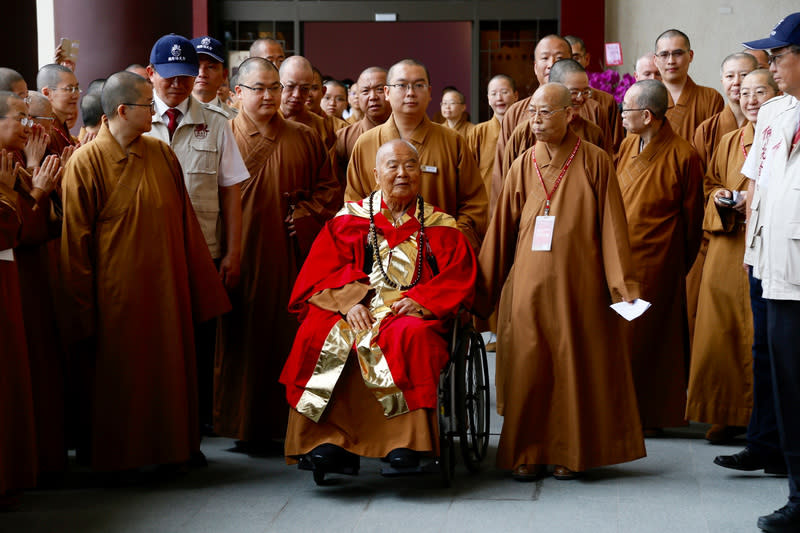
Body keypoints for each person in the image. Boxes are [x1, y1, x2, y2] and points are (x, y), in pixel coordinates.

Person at [59, 71, 231, 472]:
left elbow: (186, 224)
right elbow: (74, 245)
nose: (155, 112)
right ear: (122, 111)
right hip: (115, 296)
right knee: (120, 383)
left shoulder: (160, 153)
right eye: (146, 106)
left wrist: (195, 285)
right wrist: (81, 309)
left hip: (166, 290)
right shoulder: (86, 162)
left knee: (169, 374)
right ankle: (118, 460)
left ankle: (175, 451)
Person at [478, 82, 645, 481]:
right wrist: (481, 292)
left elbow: (612, 227)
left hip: (579, 285)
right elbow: (501, 230)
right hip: (528, 287)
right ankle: (526, 450)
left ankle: (570, 452)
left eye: (544, 112)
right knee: (527, 364)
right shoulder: (522, 164)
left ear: (570, 113)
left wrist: (623, 289)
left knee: (573, 366)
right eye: (531, 112)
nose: (535, 120)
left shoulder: (595, 160)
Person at [281, 139, 476, 474]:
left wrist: (420, 301)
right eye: (393, 166)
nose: (402, 173)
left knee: (410, 337)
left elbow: (458, 277)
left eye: (410, 166)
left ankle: (405, 441)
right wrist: (348, 301)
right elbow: (321, 270)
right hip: (357, 305)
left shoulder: (440, 225)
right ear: (376, 174)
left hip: (409, 312)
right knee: (319, 332)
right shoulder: (349, 220)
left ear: (420, 173)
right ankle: (327, 439)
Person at [215, 57, 341, 450]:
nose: (271, 96)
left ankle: (287, 423)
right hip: (238, 252)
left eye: (275, 87)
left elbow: (329, 191)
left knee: (287, 335)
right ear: (237, 94)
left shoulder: (304, 136)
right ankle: (241, 425)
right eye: (260, 88)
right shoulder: (223, 135)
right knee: (240, 337)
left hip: (289, 254)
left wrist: (305, 215)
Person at [144, 34, 248, 439]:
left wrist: (233, 253)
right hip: (149, 256)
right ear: (151, 74)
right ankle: (160, 427)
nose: (178, 85)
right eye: (169, 77)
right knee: (155, 344)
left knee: (200, 344)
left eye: (186, 76)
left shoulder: (217, 124)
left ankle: (194, 429)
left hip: (204, 251)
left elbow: (231, 191)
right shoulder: (134, 121)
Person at [687, 69, 779, 445]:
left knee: (762, 334)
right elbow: (709, 184)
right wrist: (724, 198)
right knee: (719, 330)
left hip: (766, 241)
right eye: (744, 92)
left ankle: (762, 419)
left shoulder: (783, 138)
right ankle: (725, 413)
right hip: (728, 241)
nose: (751, 99)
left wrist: (754, 202)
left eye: (760, 91)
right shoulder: (728, 140)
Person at [736, 13, 800, 531]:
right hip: (777, 270)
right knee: (787, 382)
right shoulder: (777, 113)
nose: (772, 64)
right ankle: (797, 490)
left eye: (780, 55)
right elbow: (758, 185)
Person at [616, 80, 704, 435]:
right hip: (621, 258)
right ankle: (621, 407)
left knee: (652, 338)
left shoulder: (684, 154)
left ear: (647, 115)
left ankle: (652, 414)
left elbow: (692, 218)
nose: (621, 116)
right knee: (622, 338)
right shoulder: (626, 145)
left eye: (627, 111)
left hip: (660, 260)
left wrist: (674, 263)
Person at [346, 59, 487, 251]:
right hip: (380, 258)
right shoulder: (365, 143)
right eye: (402, 85)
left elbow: (474, 204)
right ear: (387, 92)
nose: (411, 93)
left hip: (440, 254)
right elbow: (354, 204)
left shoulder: (452, 141)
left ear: (429, 92)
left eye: (419, 85)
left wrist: (453, 238)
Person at [495, 60, 609, 211]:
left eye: (585, 92)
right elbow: (506, 188)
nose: (581, 98)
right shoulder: (525, 133)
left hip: (580, 221)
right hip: (530, 220)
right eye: (574, 92)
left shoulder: (593, 132)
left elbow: (605, 192)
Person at [491, 35, 572, 209]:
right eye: (545, 58)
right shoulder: (515, 113)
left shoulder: (590, 110)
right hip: (526, 208)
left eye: (559, 58)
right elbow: (501, 172)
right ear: (535, 67)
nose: (551, 64)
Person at [654, 29, 725, 142]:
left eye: (678, 54)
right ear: (655, 60)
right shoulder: (645, 98)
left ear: (690, 55)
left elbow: (717, 149)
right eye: (664, 55)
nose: (671, 61)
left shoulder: (710, 98)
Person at [693, 53, 758, 167]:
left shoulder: (768, 126)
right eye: (729, 76)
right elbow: (698, 177)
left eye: (744, 75)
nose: (737, 82)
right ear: (722, 80)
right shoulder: (706, 130)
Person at [333, 67, 391, 187]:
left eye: (379, 89)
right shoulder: (343, 137)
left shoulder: (407, 132)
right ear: (357, 97)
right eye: (365, 91)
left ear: (390, 92)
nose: (373, 97)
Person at [565, 35, 624, 150]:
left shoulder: (605, 102)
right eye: (566, 58)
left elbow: (616, 149)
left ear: (586, 59)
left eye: (576, 57)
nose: (571, 63)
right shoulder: (548, 104)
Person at [466, 74, 518, 198]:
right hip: (487, 200)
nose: (499, 98)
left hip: (517, 199)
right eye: (494, 94)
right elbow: (468, 174)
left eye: (504, 92)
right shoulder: (478, 132)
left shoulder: (524, 130)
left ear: (516, 96)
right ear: (489, 99)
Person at [279, 56, 336, 150]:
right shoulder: (264, 120)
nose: (296, 95)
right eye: (290, 86)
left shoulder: (322, 127)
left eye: (304, 89)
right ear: (278, 84)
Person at [36, 64, 79, 155]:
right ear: (47, 93)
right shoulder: (45, 131)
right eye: (69, 89)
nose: (76, 95)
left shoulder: (61, 125)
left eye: (76, 88)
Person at [191, 36, 238, 117]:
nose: (202, 74)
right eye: (196, 66)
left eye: (210, 67)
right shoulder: (172, 117)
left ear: (224, 75)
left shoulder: (235, 120)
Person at [307, 67, 347, 132]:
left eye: (314, 88)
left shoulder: (342, 128)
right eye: (304, 88)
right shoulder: (286, 122)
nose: (332, 103)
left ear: (323, 91)